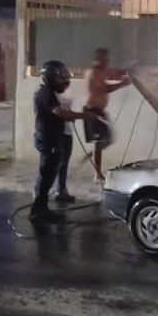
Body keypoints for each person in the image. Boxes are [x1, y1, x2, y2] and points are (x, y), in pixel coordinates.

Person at [31, 60, 95, 221]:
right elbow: (61, 113)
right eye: (60, 78)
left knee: (51, 171)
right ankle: (38, 209)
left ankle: (41, 206)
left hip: (53, 137)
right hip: (47, 138)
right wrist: (83, 116)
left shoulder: (50, 92)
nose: (64, 81)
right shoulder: (45, 93)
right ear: (50, 77)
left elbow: (61, 113)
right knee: (46, 173)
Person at [84, 48, 129, 181]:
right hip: (93, 111)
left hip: (100, 111)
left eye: (107, 59)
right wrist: (122, 84)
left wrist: (125, 72)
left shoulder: (101, 71)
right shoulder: (93, 73)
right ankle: (97, 173)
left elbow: (115, 72)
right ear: (97, 60)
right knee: (100, 141)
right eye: (104, 59)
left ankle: (95, 155)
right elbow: (105, 88)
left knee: (108, 139)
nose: (106, 62)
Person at [55, 85, 76, 203]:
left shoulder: (66, 92)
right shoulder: (55, 94)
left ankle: (61, 189)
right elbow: (60, 112)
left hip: (67, 131)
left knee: (63, 162)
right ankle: (60, 190)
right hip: (61, 132)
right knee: (60, 163)